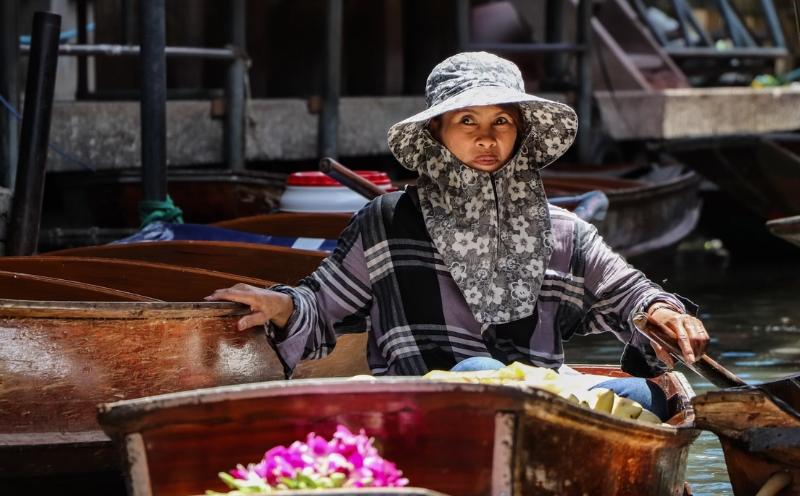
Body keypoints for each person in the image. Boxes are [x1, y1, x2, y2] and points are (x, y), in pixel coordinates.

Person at [206, 52, 708, 420]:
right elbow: (320, 306)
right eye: (467, 120)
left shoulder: (566, 231)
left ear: (520, 133)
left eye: (502, 121)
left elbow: (631, 294)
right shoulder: (386, 221)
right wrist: (281, 306)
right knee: (476, 372)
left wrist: (663, 314)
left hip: (551, 413)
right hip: (427, 414)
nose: (486, 138)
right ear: (437, 132)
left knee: (660, 396)